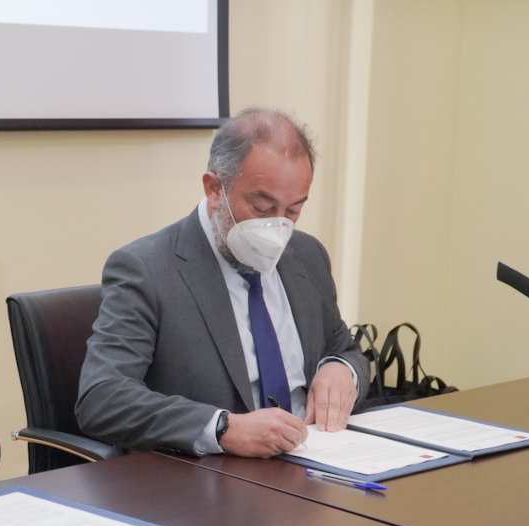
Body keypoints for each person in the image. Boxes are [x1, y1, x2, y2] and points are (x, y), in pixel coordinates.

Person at [76, 108, 369, 459]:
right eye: (262, 207)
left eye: (293, 210)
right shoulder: (146, 269)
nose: (278, 228)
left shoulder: (307, 255)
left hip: (315, 467)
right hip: (211, 484)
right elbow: (103, 398)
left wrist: (342, 370)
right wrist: (223, 428)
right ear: (215, 189)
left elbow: (345, 348)